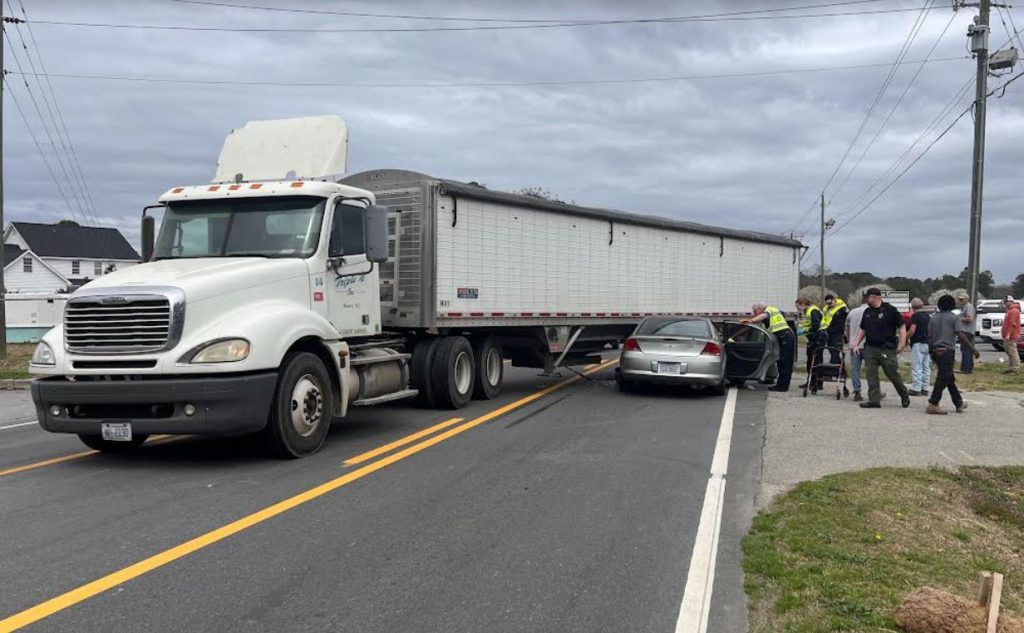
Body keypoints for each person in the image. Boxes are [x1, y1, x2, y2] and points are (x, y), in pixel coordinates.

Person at [851, 287, 910, 408]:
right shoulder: (867, 312)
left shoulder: (890, 310)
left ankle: (904, 394)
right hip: (871, 348)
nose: (866, 299)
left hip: (886, 348)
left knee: (892, 373)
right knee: (871, 374)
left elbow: (902, 326)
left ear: (875, 297)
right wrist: (856, 344)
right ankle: (874, 399)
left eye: (868, 297)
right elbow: (863, 329)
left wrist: (902, 343)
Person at [927, 294, 981, 414]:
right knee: (942, 378)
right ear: (952, 305)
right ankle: (933, 403)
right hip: (947, 351)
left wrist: (931, 351)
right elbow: (961, 335)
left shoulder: (933, 318)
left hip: (936, 350)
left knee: (949, 378)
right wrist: (972, 349)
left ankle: (958, 402)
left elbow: (929, 337)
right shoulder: (954, 318)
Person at [744, 301, 795, 392]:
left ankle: (782, 386)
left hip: (784, 337)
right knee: (782, 362)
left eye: (755, 311)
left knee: (785, 362)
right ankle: (781, 385)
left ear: (760, 309)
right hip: (784, 337)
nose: (754, 313)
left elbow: (764, 316)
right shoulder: (773, 311)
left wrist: (751, 320)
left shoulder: (769, 311)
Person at [795, 296, 823, 390]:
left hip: (817, 339)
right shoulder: (808, 311)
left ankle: (815, 383)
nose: (798, 309)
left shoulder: (813, 311)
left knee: (814, 361)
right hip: (813, 339)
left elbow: (816, 325)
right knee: (811, 361)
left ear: (803, 304)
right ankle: (812, 381)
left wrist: (807, 331)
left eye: (798, 307)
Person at [845, 292, 869, 401]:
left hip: (854, 344)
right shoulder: (871, 312)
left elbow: (847, 327)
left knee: (855, 369)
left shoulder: (852, 312)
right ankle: (874, 390)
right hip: (868, 344)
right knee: (871, 369)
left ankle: (857, 391)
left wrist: (850, 339)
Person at [906, 298, 931, 395]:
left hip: (917, 342)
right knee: (926, 366)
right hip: (927, 343)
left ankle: (916, 388)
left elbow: (912, 330)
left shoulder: (915, 316)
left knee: (917, 366)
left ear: (912, 307)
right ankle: (925, 388)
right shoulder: (928, 316)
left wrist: (906, 338)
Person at [821, 294, 849, 364]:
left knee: (835, 351)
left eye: (830, 303)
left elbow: (847, 320)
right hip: (829, 332)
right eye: (827, 303)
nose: (829, 305)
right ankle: (838, 367)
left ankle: (835, 367)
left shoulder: (842, 308)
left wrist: (845, 332)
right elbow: (824, 319)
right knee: (831, 350)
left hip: (838, 333)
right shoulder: (826, 308)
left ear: (834, 300)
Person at [956, 293, 977, 374]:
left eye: (962, 299)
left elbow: (970, 319)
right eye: (959, 299)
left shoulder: (968, 306)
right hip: (967, 331)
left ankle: (965, 369)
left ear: (967, 299)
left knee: (965, 350)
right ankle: (968, 369)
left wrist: (959, 319)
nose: (960, 301)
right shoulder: (965, 307)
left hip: (967, 331)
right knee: (968, 350)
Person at [1001, 295, 1021, 375]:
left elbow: (1012, 324)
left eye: (1006, 302)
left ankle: (1015, 369)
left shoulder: (1013, 311)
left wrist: (1008, 334)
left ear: (1010, 301)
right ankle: (1011, 367)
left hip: (1011, 336)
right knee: (1009, 352)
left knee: (1013, 352)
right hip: (1007, 335)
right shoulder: (1009, 310)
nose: (1005, 303)